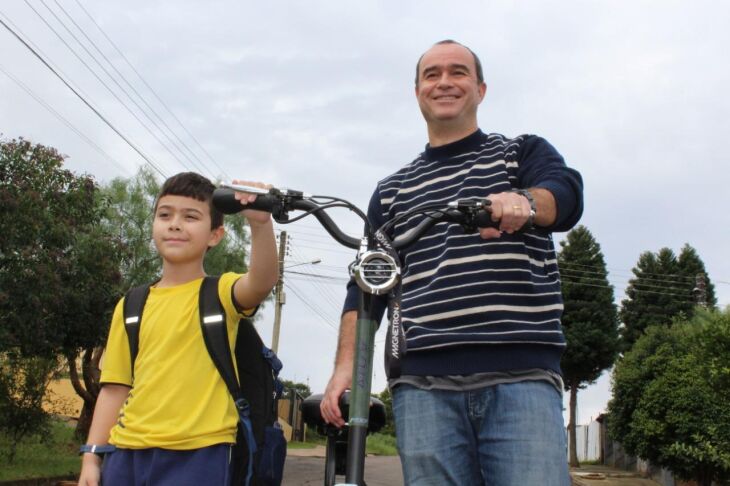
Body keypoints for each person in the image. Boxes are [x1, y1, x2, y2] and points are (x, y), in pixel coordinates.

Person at [320, 40, 583, 485]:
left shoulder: (519, 154)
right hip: (423, 385)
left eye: (458, 72)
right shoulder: (392, 190)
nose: (444, 82)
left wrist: (524, 203)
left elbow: (565, 195)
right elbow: (367, 285)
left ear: (480, 89)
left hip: (520, 376)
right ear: (418, 91)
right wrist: (346, 367)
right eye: (432, 74)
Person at [78, 172, 278, 486]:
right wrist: (92, 455)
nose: (174, 224)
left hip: (199, 452)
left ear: (215, 235)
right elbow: (115, 388)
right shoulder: (131, 305)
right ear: (154, 225)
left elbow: (261, 282)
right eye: (165, 214)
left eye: (190, 216)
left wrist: (260, 225)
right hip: (125, 453)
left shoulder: (221, 294)